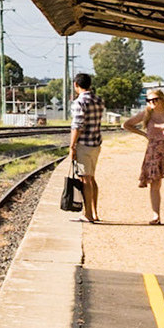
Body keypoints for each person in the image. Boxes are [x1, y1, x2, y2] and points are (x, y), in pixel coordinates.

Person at [123, 88, 164, 226]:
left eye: (154, 100)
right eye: (149, 100)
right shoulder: (147, 113)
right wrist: (144, 134)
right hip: (153, 153)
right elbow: (127, 124)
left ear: (162, 99)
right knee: (155, 185)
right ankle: (156, 215)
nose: (151, 103)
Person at [68, 72, 104, 223]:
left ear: (76, 85)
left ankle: (88, 214)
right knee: (92, 178)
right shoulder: (99, 100)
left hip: (83, 144)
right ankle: (95, 212)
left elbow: (77, 126)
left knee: (85, 179)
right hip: (96, 144)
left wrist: (72, 147)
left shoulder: (79, 102)